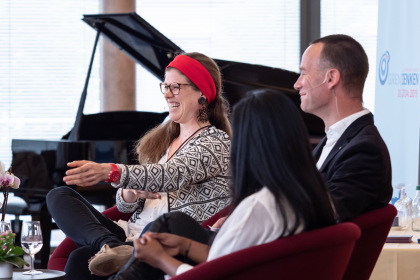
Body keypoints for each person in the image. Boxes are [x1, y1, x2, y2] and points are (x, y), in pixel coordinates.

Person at [108, 89, 337, 280]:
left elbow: (213, 274)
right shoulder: (314, 195)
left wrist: (160, 258)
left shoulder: (259, 207)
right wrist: (185, 246)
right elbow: (225, 257)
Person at [46, 52, 232, 279]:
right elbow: (126, 209)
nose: (166, 94)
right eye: (165, 86)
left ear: (202, 93)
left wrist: (111, 171)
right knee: (59, 196)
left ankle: (115, 248)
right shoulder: (165, 142)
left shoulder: (215, 141)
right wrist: (130, 193)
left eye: (176, 87)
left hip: (167, 236)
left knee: (79, 259)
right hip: (130, 235)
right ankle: (111, 245)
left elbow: (170, 175)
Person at [294, 34, 393, 222]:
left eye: (304, 73)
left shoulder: (365, 151)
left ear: (331, 78)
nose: (296, 84)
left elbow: (321, 215)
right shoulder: (335, 140)